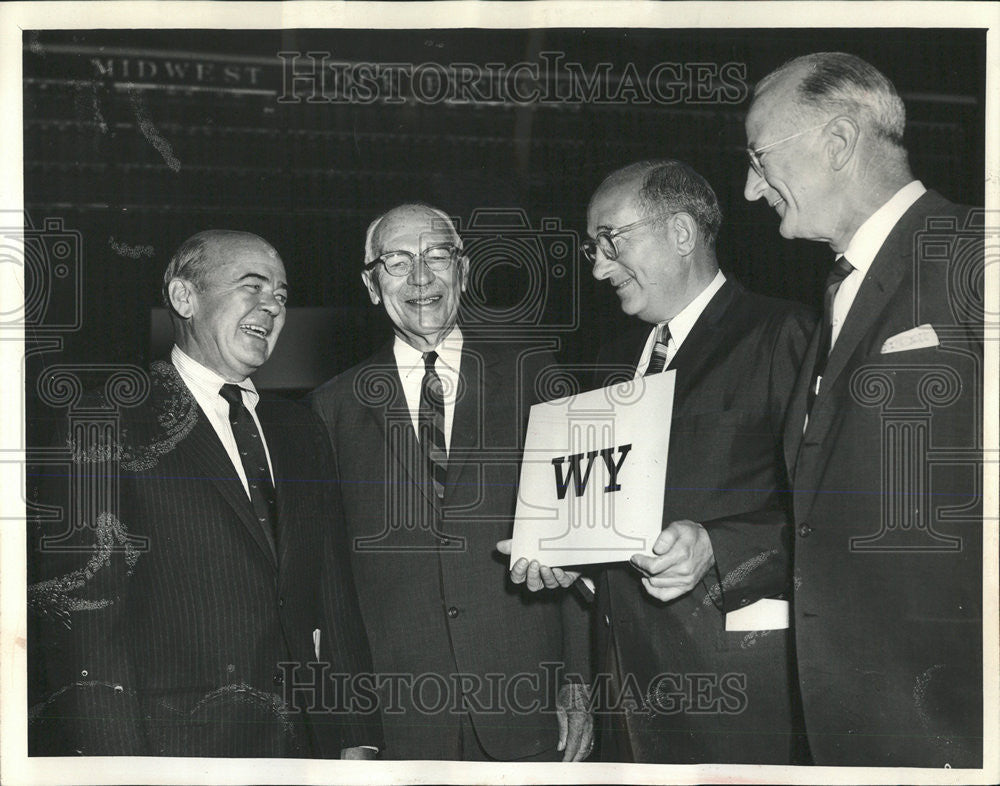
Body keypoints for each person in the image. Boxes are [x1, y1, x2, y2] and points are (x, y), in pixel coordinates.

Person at [501, 159, 815, 764]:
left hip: (735, 700)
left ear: (680, 232)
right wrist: (569, 557)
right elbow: (613, 517)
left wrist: (718, 549)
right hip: (623, 697)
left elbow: (827, 520)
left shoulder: (784, 333)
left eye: (610, 242)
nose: (596, 267)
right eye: (592, 249)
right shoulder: (610, 358)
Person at [28, 230, 380, 758]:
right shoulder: (105, 424)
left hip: (306, 749)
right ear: (184, 298)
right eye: (252, 286)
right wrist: (119, 768)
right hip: (177, 752)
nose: (273, 307)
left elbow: (332, 594)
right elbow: (87, 623)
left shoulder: (301, 430)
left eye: (282, 295)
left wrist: (356, 736)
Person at [743, 52, 983, 767]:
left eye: (759, 158)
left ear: (839, 142)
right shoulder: (834, 301)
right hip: (853, 728)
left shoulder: (974, 252)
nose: (751, 190)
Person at [309, 203, 592, 761]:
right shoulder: (330, 409)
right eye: (396, 261)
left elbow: (580, 539)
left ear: (462, 272)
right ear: (371, 285)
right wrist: (353, 725)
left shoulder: (537, 378)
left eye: (437, 256)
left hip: (528, 706)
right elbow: (330, 583)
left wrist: (579, 680)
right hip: (399, 717)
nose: (421, 277)